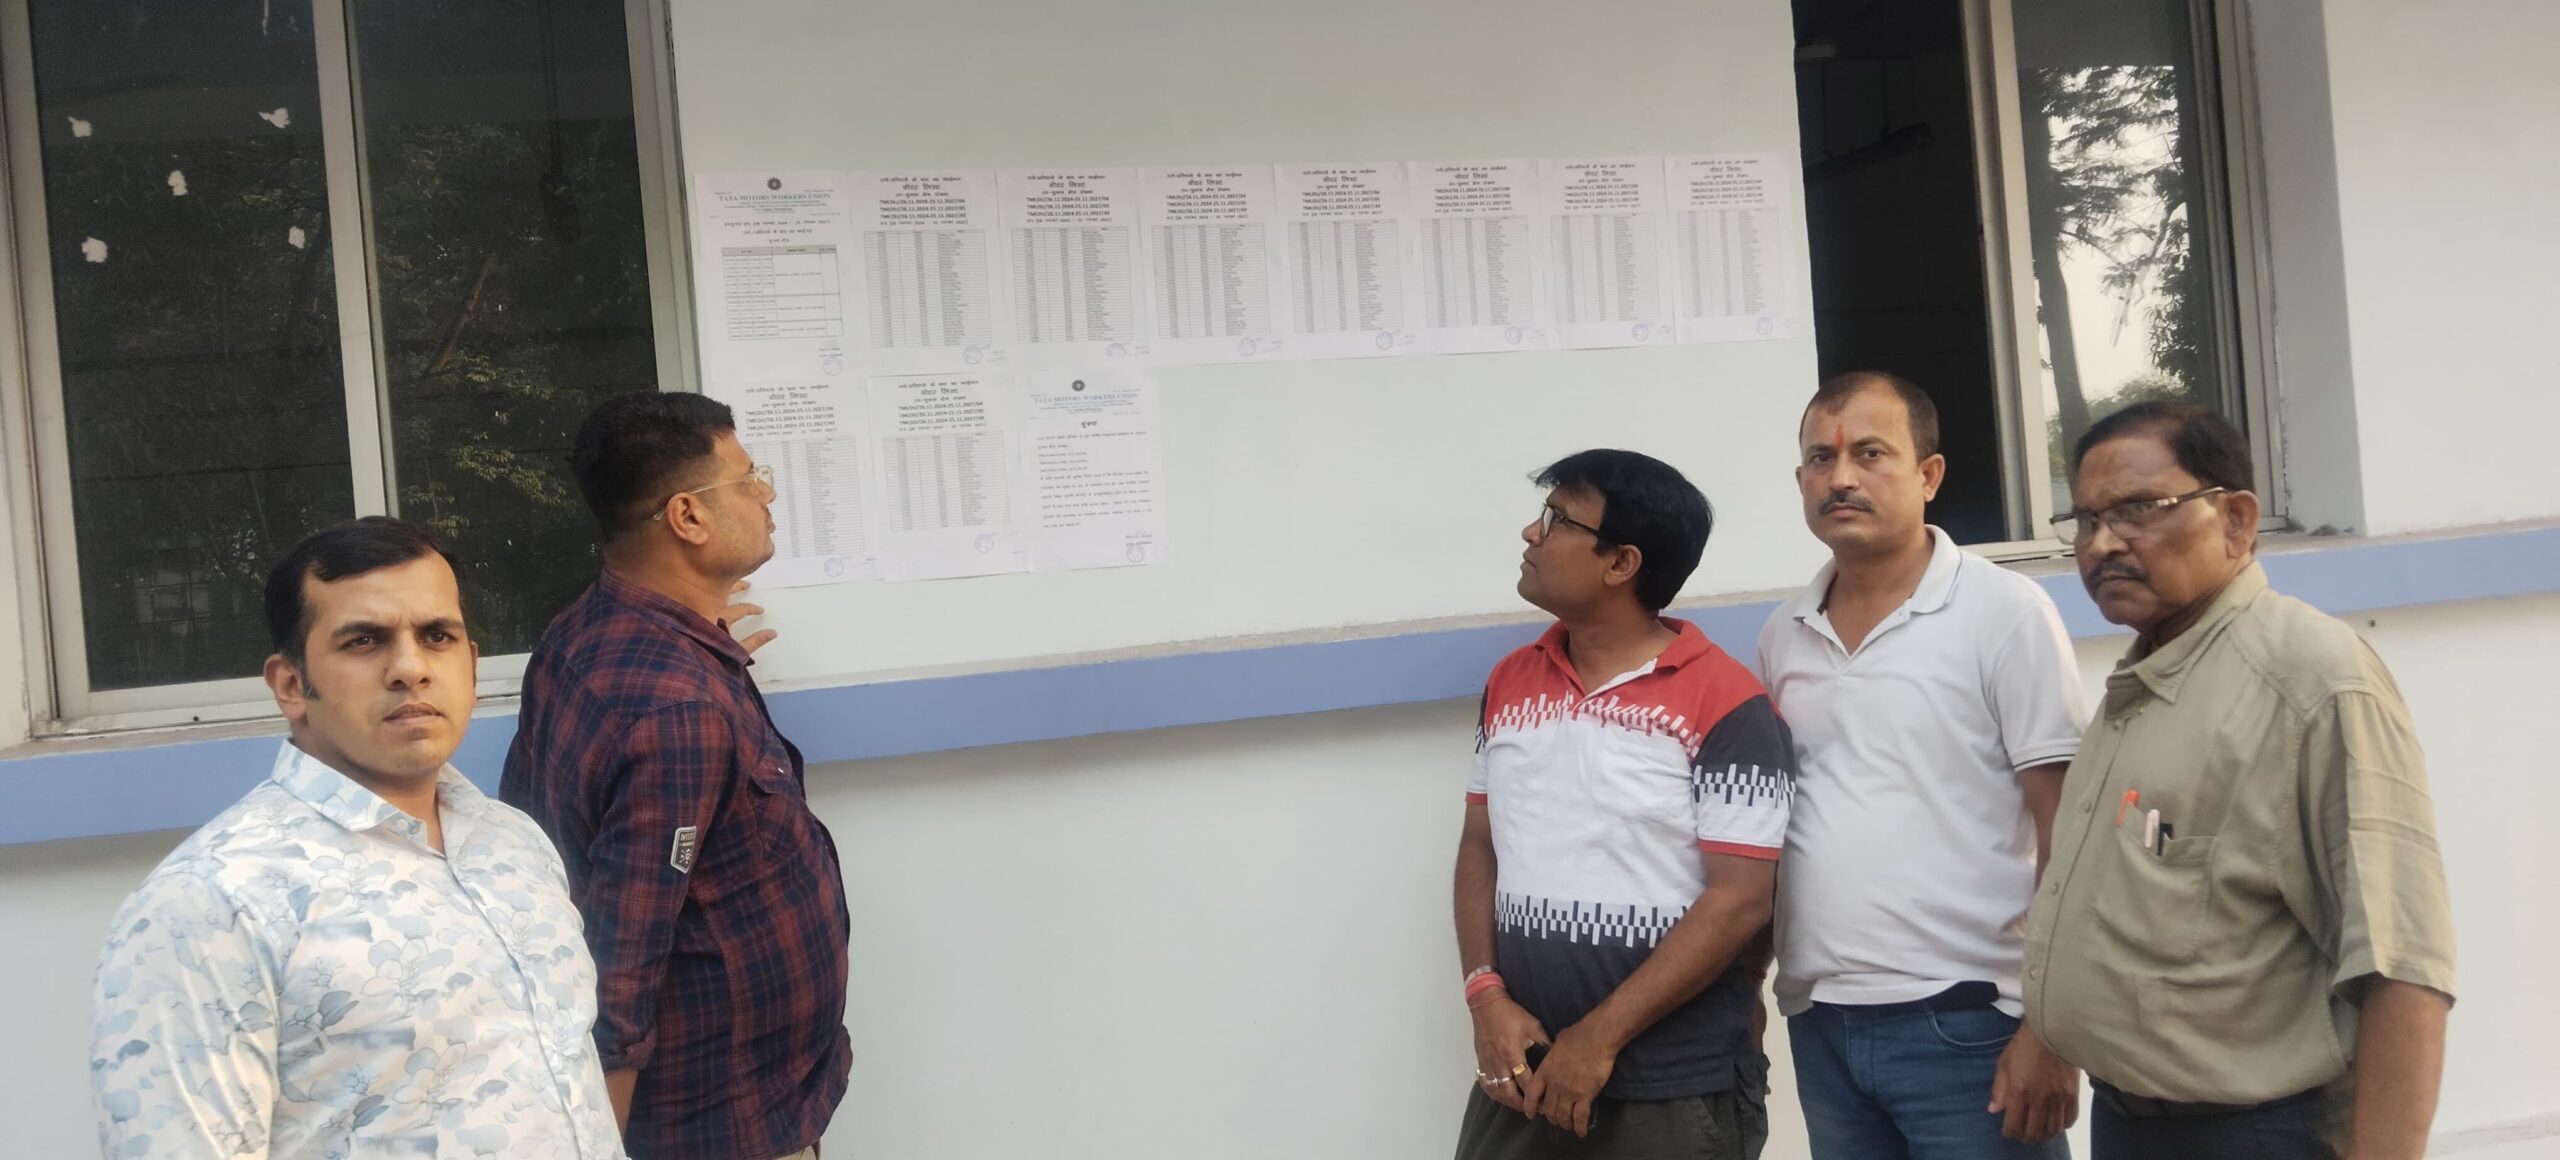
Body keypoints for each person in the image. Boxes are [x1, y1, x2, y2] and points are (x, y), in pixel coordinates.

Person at [89, 518, 622, 1159]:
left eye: (437, 636)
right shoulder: (213, 901)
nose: (410, 668)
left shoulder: (515, 844)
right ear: (291, 685)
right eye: (364, 641)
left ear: (472, 666)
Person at [2024, 402, 2457, 1159]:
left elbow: (2402, 966)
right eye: (2085, 520)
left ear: (2237, 520)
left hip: (2255, 1132)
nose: (2102, 544)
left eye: (2136, 510)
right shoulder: (2152, 676)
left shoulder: (2311, 681)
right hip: (2131, 1122)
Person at [503, 392, 849, 1160]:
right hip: (721, 1126)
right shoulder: (677, 708)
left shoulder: (588, 631)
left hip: (753, 1099)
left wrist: (707, 646)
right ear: (688, 517)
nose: (768, 494)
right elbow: (619, 973)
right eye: (748, 478)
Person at [1758, 372, 2088, 1158]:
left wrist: (2053, 1028)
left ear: (1929, 474)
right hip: (1823, 1022)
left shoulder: (2005, 613)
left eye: (1870, 454)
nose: (1841, 478)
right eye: (1820, 459)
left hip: (1972, 1024)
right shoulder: (1783, 634)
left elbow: (2070, 832)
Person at [1452, 449, 1793, 1160]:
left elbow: (1741, 902)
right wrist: (1485, 996)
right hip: (1523, 1073)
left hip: (1671, 1093)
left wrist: (1597, 1040)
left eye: (1557, 520)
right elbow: (1480, 845)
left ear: (1621, 563)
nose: (1532, 533)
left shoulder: (1730, 705)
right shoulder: (1511, 681)